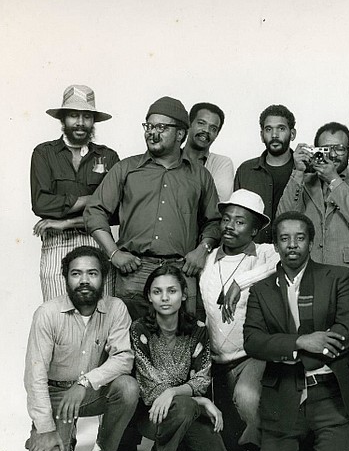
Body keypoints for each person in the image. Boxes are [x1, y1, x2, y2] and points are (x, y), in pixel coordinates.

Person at [244, 212, 349, 451]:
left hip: (330, 392)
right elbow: (253, 340)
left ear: (311, 242)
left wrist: (303, 352)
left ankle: (325, 437)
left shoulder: (337, 276)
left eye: (300, 238)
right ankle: (305, 441)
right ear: (276, 246)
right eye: (285, 239)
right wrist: (300, 342)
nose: (292, 245)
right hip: (285, 392)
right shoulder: (261, 290)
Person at [84, 96, 221, 320]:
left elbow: (214, 221)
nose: (152, 132)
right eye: (149, 126)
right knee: (130, 344)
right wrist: (114, 253)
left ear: (180, 134)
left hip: (181, 271)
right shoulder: (126, 169)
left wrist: (202, 250)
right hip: (134, 273)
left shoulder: (199, 175)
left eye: (161, 127)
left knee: (183, 344)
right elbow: (94, 211)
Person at [24, 246, 139, 451]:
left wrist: (85, 383)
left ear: (103, 278)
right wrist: (45, 429)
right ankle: (64, 431)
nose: (84, 280)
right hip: (56, 396)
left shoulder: (116, 308)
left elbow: (124, 358)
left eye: (92, 274)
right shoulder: (47, 313)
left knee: (127, 387)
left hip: (90, 392)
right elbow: (35, 375)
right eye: (76, 274)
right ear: (66, 278)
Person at [130, 265, 234, 451]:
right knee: (185, 406)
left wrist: (177, 393)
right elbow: (150, 387)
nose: (165, 298)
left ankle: (179, 448)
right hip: (153, 414)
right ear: (149, 296)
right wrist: (200, 400)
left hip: (190, 411)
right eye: (157, 292)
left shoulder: (198, 329)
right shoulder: (139, 329)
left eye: (172, 291)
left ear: (184, 294)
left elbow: (202, 378)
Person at [200, 189, 278, 451]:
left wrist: (241, 282)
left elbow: (287, 261)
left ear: (256, 229)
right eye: (227, 219)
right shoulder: (207, 259)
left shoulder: (265, 254)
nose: (230, 226)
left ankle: (255, 446)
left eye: (240, 221)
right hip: (217, 362)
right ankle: (249, 439)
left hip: (250, 355)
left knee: (248, 398)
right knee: (227, 440)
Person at [31, 84, 119, 300]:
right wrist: (92, 200)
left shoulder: (109, 157)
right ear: (63, 119)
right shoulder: (44, 153)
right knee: (57, 312)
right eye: (73, 115)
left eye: (86, 116)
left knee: (100, 314)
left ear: (93, 121)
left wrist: (65, 221)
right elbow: (41, 203)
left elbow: (115, 212)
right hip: (57, 242)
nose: (80, 122)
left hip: (98, 240)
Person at [277, 122, 349, 295]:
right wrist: (298, 172)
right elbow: (283, 221)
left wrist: (333, 179)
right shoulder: (302, 181)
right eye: (325, 149)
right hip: (307, 271)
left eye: (338, 148)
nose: (331, 155)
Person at [234, 104, 297, 243]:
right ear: (262, 135)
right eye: (268, 129)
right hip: (253, 256)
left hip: (294, 254)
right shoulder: (246, 171)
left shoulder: (306, 171)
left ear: (292, 134)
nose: (274, 135)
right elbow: (235, 217)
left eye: (281, 129)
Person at [185, 102, 235, 201]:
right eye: (201, 123)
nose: (206, 130)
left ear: (216, 134)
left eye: (213, 128)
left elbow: (219, 204)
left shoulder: (221, 163)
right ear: (189, 124)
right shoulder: (170, 158)